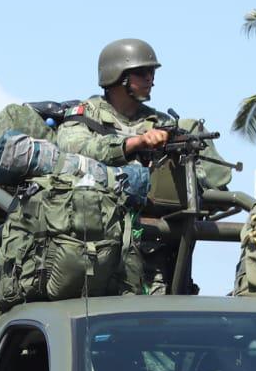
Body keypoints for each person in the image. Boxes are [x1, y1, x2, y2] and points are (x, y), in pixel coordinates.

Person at [54, 39, 233, 294]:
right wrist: (136, 143)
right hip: (94, 245)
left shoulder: (160, 122)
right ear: (119, 76)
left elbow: (205, 183)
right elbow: (75, 150)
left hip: (153, 247)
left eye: (152, 73)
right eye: (142, 73)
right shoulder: (85, 115)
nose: (151, 79)